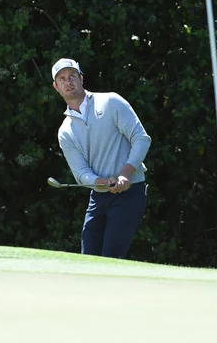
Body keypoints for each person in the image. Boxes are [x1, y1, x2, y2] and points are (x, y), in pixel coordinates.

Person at [51, 57, 152, 259]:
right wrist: (101, 182)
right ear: (56, 87)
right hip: (98, 196)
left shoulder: (110, 102)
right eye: (62, 78)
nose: (68, 81)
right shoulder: (65, 131)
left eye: (72, 76)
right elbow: (81, 173)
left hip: (130, 192)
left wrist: (125, 175)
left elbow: (141, 138)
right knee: (88, 259)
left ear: (81, 78)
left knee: (111, 258)